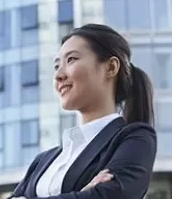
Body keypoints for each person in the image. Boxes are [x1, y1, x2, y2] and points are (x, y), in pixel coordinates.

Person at [8, 24, 157, 199]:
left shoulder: (135, 138)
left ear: (110, 68)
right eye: (57, 66)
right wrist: (81, 194)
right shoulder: (42, 161)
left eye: (71, 60)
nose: (58, 75)